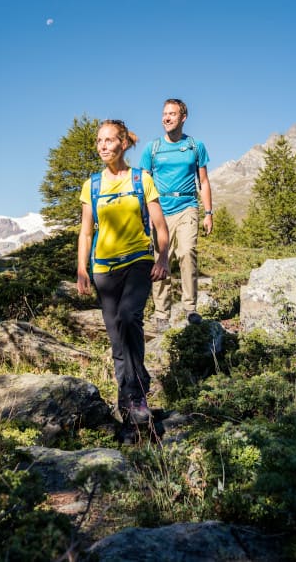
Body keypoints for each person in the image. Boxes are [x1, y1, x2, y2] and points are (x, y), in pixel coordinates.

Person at [77, 119, 170, 441]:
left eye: (109, 140)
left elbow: (159, 224)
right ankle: (129, 406)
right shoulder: (92, 185)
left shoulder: (141, 179)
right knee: (117, 338)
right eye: (99, 141)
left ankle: (137, 393)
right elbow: (86, 230)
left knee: (130, 318)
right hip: (103, 268)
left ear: (123, 144)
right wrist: (81, 268)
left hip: (138, 262)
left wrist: (163, 258)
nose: (103, 146)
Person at [139, 98, 213, 331]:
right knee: (162, 259)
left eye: (172, 113)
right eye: (164, 113)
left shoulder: (194, 146)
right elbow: (143, 183)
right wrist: (144, 215)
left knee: (187, 251)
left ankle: (190, 308)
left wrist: (208, 212)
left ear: (183, 117)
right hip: (160, 210)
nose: (166, 117)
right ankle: (162, 314)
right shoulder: (152, 149)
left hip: (187, 205)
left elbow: (203, 181)